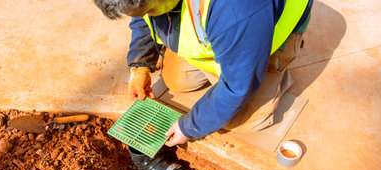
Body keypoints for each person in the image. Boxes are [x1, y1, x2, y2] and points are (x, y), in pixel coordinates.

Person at [94, 0, 313, 147]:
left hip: (259, 27)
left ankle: (272, 73)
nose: (144, 16)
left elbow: (238, 86)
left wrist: (189, 127)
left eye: (148, 10)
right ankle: (217, 47)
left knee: (240, 121)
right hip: (230, 26)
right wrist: (140, 65)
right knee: (177, 81)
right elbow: (141, 15)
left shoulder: (234, 10)